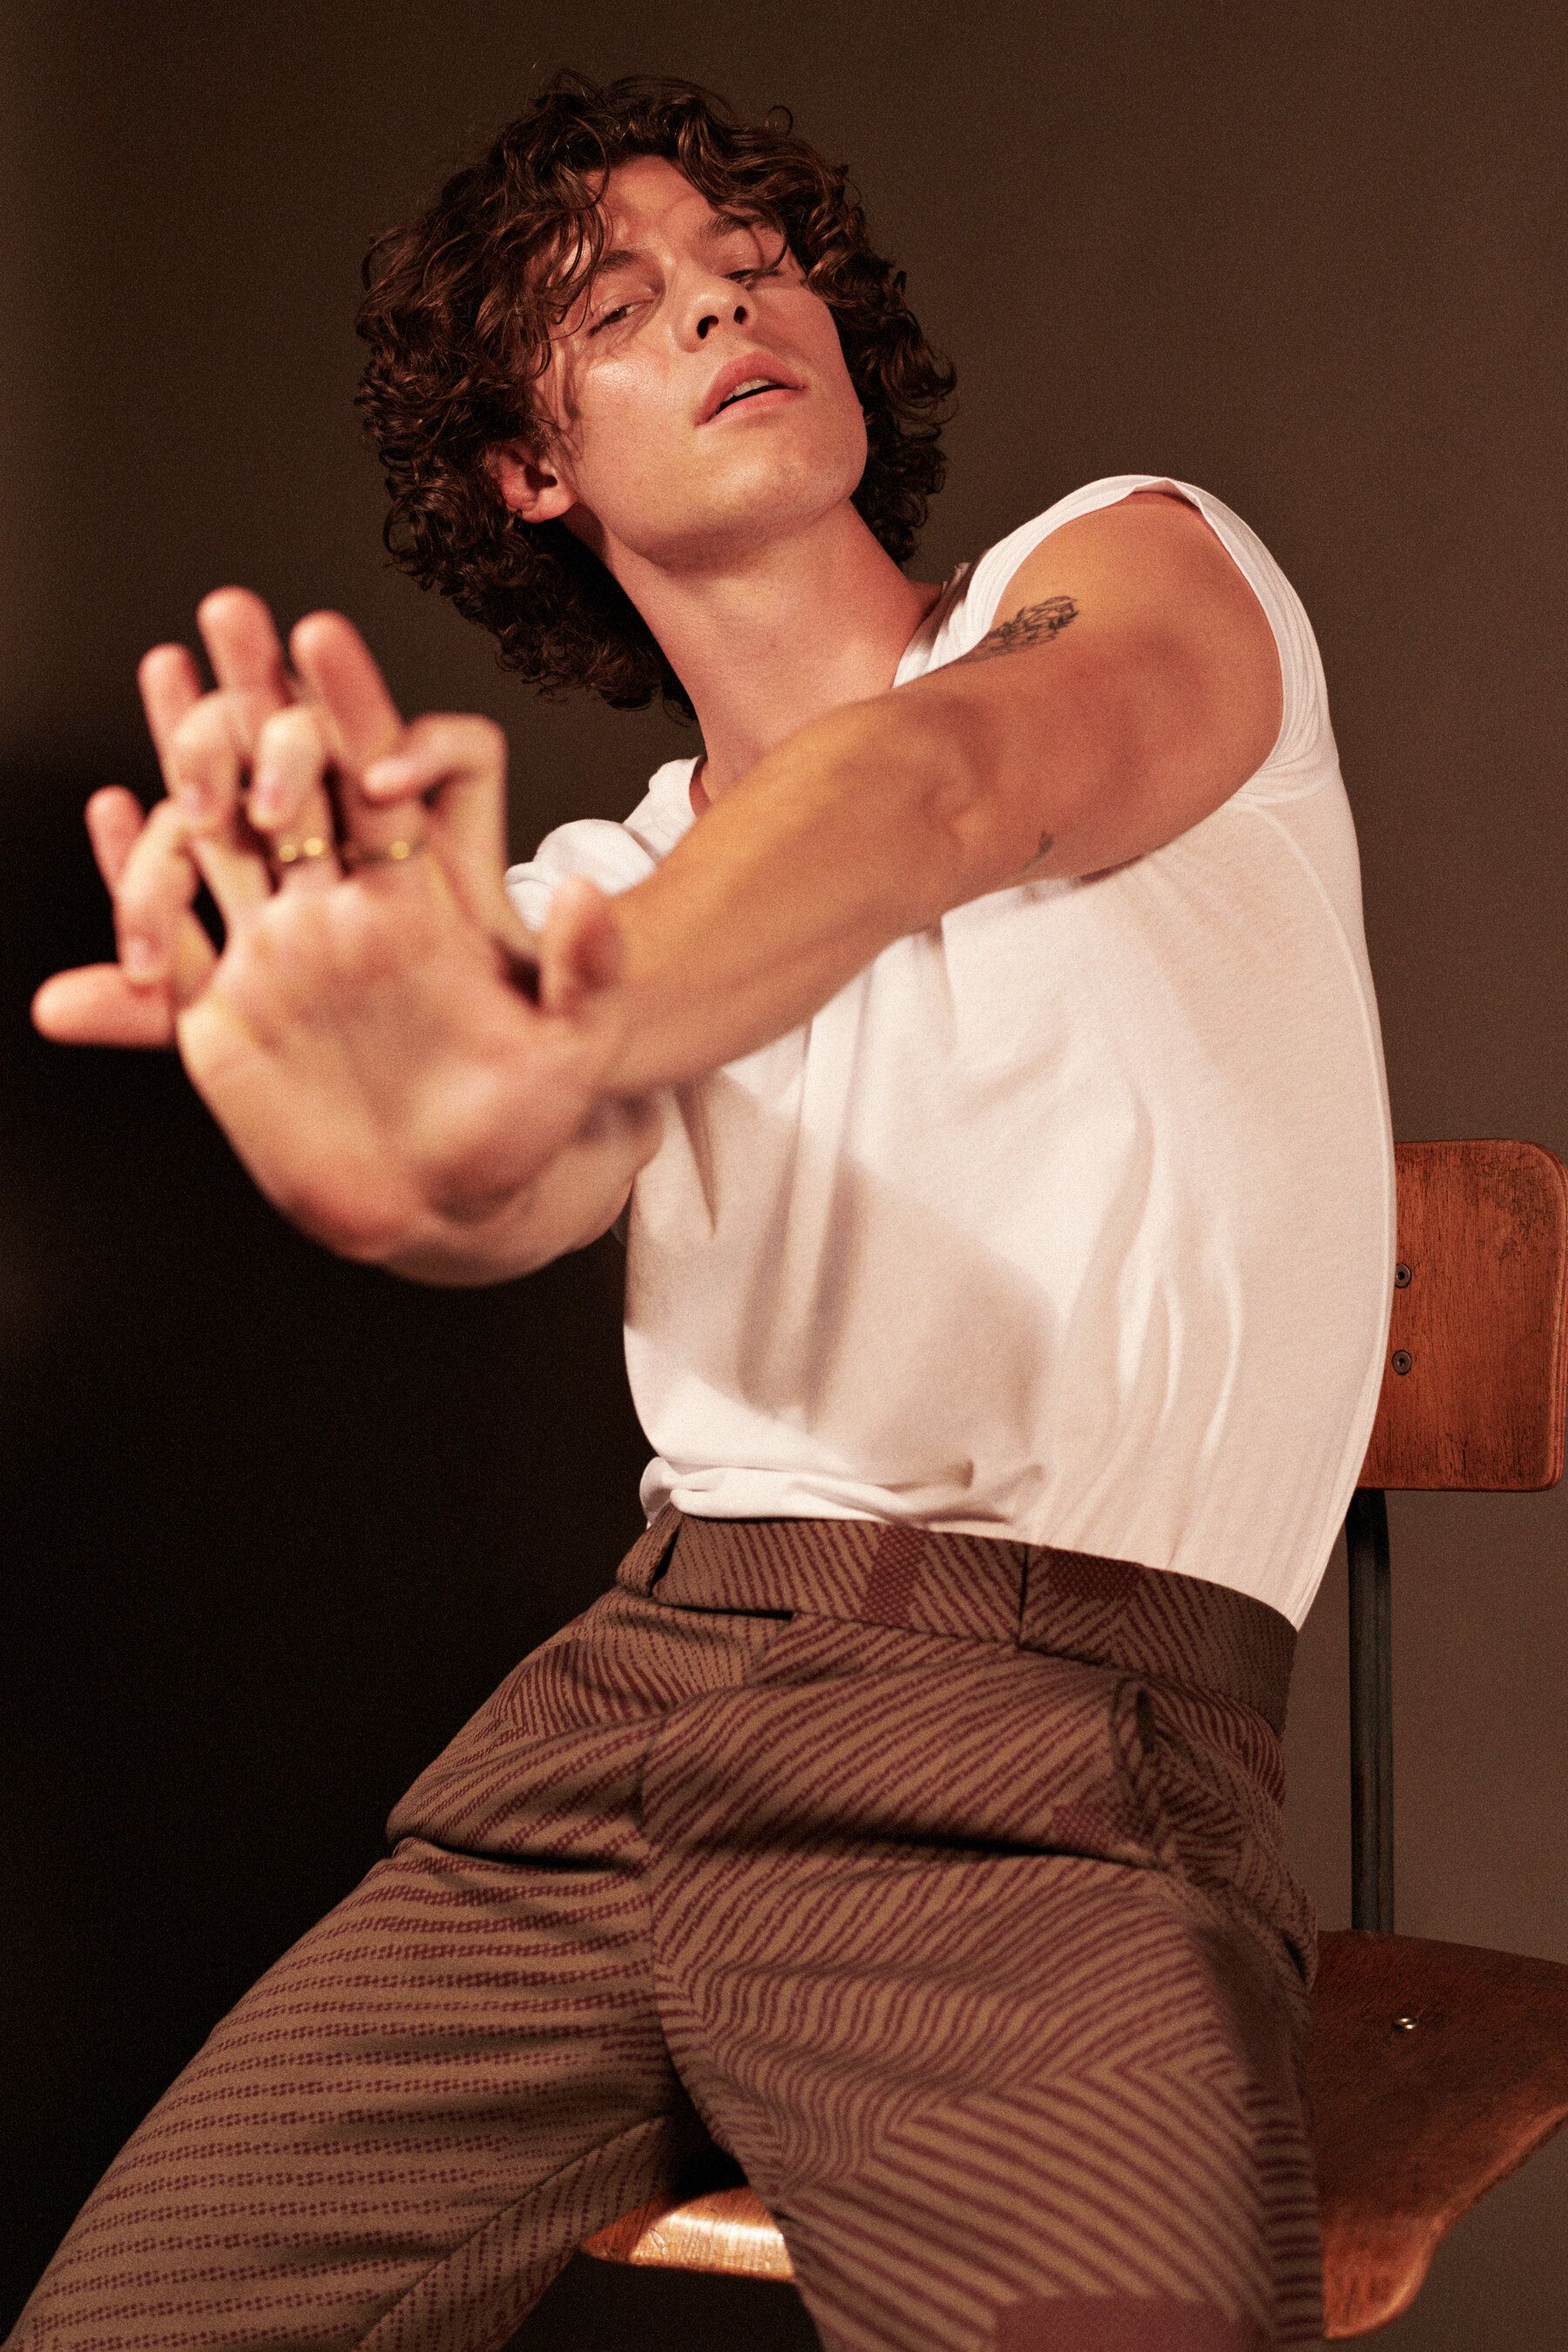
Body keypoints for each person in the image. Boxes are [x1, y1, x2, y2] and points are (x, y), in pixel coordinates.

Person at [11, 67, 1395, 2352]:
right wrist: (383, 1134)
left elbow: (946, 788)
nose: (730, 302)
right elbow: (493, 1181)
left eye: (751, 261)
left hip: (1036, 1765)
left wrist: (554, 1023)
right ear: (530, 470)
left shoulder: (1135, 569)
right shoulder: (595, 888)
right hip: (607, 1736)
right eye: (626, 303)